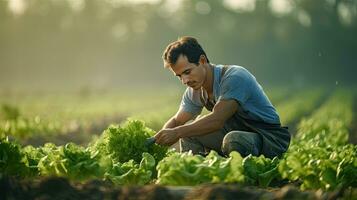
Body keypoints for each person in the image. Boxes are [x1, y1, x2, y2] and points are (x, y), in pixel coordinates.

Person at [154, 36, 290, 158]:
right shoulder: (194, 90)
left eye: (187, 72)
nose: (185, 80)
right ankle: (200, 177)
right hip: (236, 132)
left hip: (269, 137)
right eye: (179, 76)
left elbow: (217, 120)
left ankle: (237, 180)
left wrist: (176, 133)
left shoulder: (234, 77)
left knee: (233, 140)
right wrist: (156, 141)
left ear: (202, 61)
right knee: (189, 133)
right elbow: (177, 122)